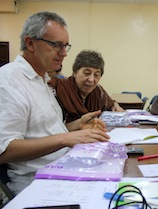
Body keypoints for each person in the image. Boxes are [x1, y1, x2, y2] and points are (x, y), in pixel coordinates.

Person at [0, 11, 109, 195]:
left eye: (66, 46)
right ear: (30, 43)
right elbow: (4, 150)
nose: (64, 53)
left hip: (62, 167)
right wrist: (65, 139)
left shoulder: (42, 80)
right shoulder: (9, 80)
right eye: (57, 45)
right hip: (36, 183)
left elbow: (43, 132)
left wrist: (78, 126)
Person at [48, 50, 124, 123]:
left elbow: (110, 103)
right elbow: (50, 129)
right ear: (74, 73)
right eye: (87, 73)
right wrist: (80, 123)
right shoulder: (58, 89)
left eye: (96, 75)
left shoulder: (98, 91)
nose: (91, 79)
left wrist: (116, 106)